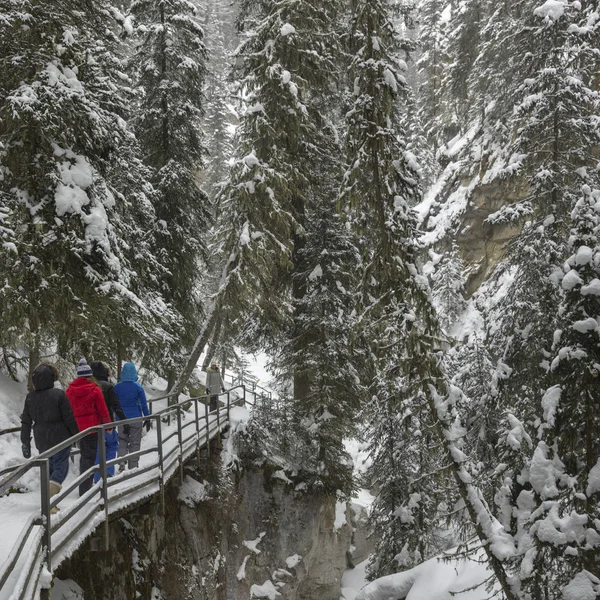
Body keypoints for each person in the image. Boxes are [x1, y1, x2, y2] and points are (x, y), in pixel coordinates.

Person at [20, 363, 79, 511]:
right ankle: (49, 500)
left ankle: (50, 501)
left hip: (41, 439)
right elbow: (69, 417)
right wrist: (76, 435)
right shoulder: (58, 394)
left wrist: (25, 442)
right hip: (60, 437)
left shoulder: (30, 397)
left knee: (48, 468)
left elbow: (26, 422)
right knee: (61, 468)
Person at [66, 358, 112, 496]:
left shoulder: (69, 391)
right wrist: (108, 425)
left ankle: (84, 485)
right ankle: (85, 489)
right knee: (89, 457)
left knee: (84, 455)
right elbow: (102, 409)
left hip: (77, 428)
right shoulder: (95, 389)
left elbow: (67, 410)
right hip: (92, 427)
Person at [91, 361, 128, 483]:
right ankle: (108, 472)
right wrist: (124, 421)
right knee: (112, 446)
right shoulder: (107, 386)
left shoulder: (89, 386)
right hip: (108, 424)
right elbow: (116, 405)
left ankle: (97, 478)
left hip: (94, 424)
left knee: (97, 449)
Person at [114, 362, 149, 470]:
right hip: (136, 418)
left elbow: (114, 403)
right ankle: (133, 467)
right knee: (135, 442)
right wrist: (147, 417)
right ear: (134, 372)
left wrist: (113, 417)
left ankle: (121, 460)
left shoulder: (117, 387)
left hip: (121, 419)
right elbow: (143, 404)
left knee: (122, 440)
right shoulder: (138, 387)